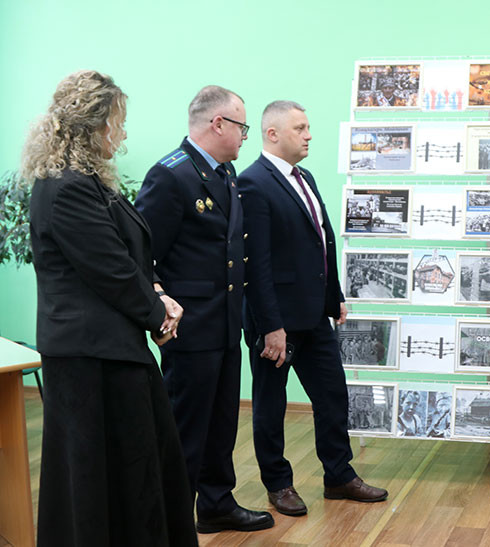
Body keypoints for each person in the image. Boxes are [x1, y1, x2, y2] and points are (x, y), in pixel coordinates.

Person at [23, 70, 197, 546]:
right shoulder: (68, 187)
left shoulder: (88, 183)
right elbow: (111, 270)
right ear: (95, 125)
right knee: (101, 477)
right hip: (91, 356)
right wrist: (159, 314)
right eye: (117, 122)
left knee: (130, 471)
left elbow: (128, 255)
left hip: (109, 349)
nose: (121, 134)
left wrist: (157, 291)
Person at [237, 100, 388, 517]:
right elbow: (257, 263)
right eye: (299, 128)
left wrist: (334, 295)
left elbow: (322, 242)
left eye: (307, 128)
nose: (308, 135)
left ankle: (338, 476)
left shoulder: (305, 177)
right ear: (272, 134)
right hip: (276, 322)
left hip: (314, 315)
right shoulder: (253, 183)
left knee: (332, 395)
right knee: (271, 405)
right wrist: (271, 326)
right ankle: (278, 484)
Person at [135, 86, 274, 533]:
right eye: (242, 127)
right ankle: (170, 518)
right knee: (186, 429)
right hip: (190, 328)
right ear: (218, 124)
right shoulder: (171, 175)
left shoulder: (224, 172)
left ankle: (216, 504)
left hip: (225, 323)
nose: (245, 137)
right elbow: (140, 253)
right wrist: (158, 302)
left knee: (221, 423)